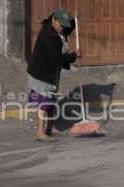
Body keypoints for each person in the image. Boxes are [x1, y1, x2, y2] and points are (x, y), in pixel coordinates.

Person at [27, 8, 79, 142]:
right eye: (61, 25)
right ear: (54, 20)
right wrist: (74, 56)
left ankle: (50, 128)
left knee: (51, 100)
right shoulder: (49, 35)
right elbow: (58, 58)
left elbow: (68, 28)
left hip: (51, 73)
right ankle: (39, 132)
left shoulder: (57, 30)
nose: (63, 28)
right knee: (43, 101)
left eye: (64, 25)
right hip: (42, 74)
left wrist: (75, 20)